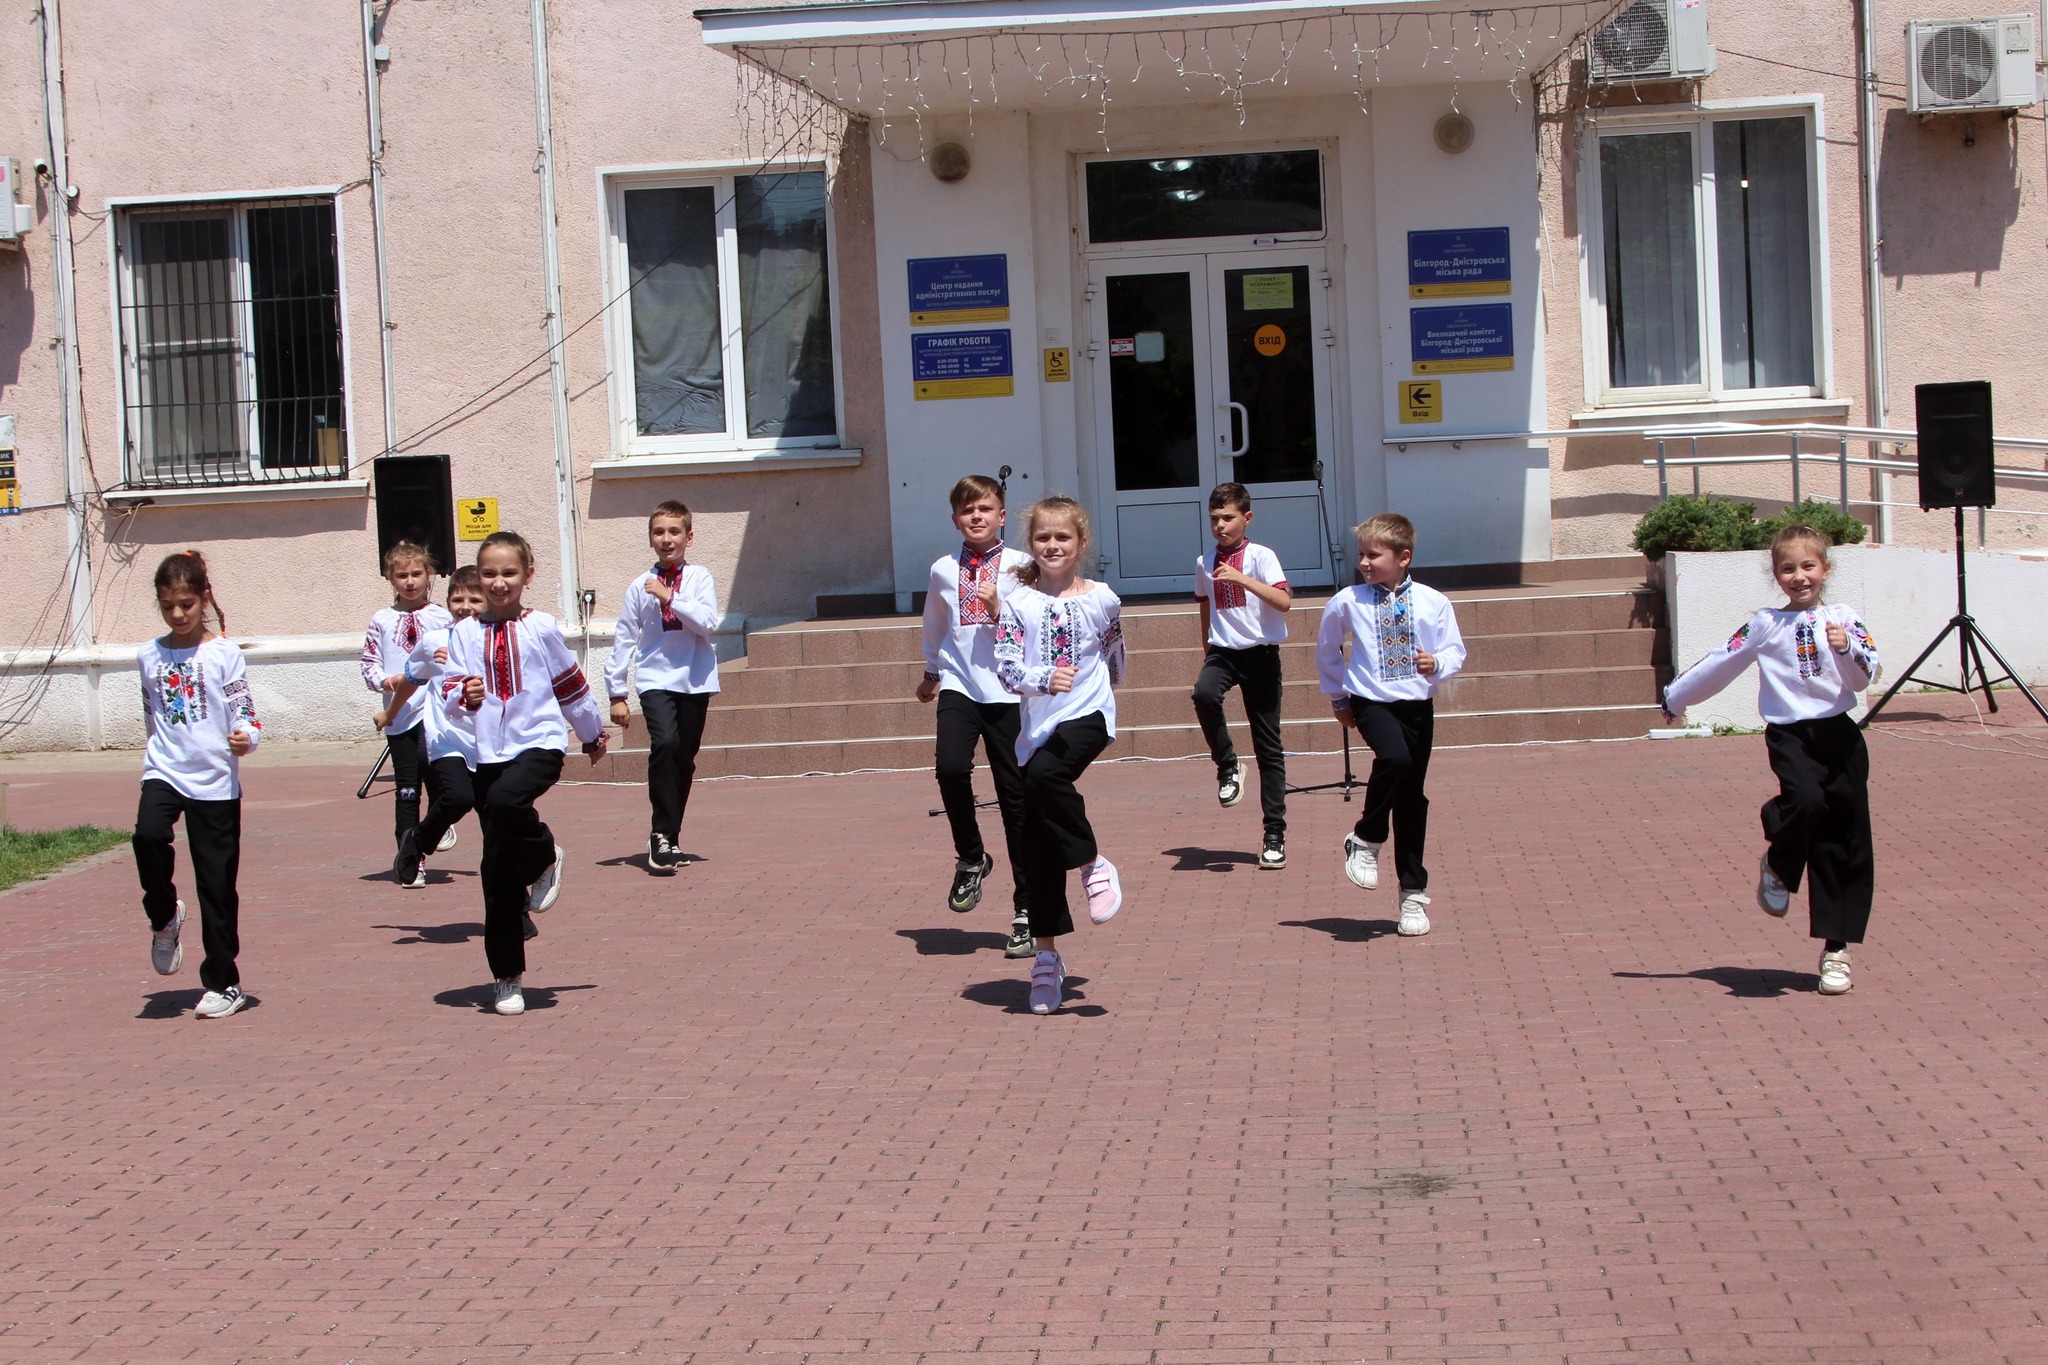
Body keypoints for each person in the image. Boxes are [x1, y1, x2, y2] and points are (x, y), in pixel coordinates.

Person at [1661, 524, 1879, 996]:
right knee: (1804, 802)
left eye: (1808, 566)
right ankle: (1779, 862)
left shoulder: (1843, 616)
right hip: (1791, 736)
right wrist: (1676, 698)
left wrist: (1846, 649)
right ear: (1776, 576)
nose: (1799, 576)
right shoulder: (1765, 623)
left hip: (1839, 735)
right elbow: (1723, 659)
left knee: (1844, 839)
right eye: (1787, 569)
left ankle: (1836, 950)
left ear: (1825, 569)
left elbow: (1864, 678)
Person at [441, 531, 608, 1016]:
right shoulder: (464, 633)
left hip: (539, 743)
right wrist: (463, 696)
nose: (498, 583)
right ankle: (506, 976)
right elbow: (450, 691)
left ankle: (544, 855)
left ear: (527, 576)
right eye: (489, 573)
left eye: (508, 573)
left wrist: (591, 733)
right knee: (495, 870)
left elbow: (569, 683)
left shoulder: (541, 627)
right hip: (487, 751)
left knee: (506, 801)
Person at [993, 495, 1127, 1015]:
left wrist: (1100, 696)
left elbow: (1115, 655)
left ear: (1081, 543)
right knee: (1036, 840)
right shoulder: (1018, 600)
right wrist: (1042, 678)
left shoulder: (1102, 599)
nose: (1053, 546)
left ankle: (1093, 864)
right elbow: (1005, 667)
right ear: (1032, 544)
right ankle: (1046, 960)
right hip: (1036, 725)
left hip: (1089, 716)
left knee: (1048, 777)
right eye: (1044, 538)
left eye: (1063, 538)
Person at [1315, 514, 1466, 938]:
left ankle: (1413, 894)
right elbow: (1327, 649)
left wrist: (1437, 664)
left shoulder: (1434, 601)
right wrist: (1338, 697)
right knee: (1393, 757)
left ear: (1404, 557)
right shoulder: (1347, 601)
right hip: (1370, 701)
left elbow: (1455, 650)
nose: (1364, 562)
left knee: (1412, 798)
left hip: (1417, 706)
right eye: (1361, 554)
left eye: (1373, 555)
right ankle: (1366, 837)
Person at [134, 550, 263, 1020]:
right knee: (148, 835)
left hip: (214, 779)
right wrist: (160, 755)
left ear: (204, 597)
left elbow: (246, 712)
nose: (178, 614)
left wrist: (246, 737)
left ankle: (225, 982)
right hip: (165, 769)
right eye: (168, 606)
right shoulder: (149, 655)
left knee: (216, 884)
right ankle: (164, 916)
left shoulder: (224, 653)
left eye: (186, 604)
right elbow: (153, 716)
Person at [918, 474, 1036, 956]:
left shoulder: (1022, 566)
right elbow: (935, 623)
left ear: (1002, 515)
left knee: (1016, 803)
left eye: (985, 509)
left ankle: (1026, 910)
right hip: (960, 685)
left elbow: (1036, 626)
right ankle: (971, 857)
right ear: (955, 519)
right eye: (968, 511)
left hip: (1009, 692)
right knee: (949, 768)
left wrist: (1001, 607)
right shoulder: (944, 569)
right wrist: (930, 672)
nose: (977, 517)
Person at [605, 500, 721, 875]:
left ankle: (671, 835)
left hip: (695, 679)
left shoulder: (700, 577)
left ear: (689, 537)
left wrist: (671, 596)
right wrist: (616, 692)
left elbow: (706, 623)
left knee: (684, 759)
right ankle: (658, 833)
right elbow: (624, 637)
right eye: (659, 532)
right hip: (655, 679)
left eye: (674, 532)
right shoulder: (640, 585)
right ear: (650, 539)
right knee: (665, 743)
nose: (666, 539)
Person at [1190, 481, 1293, 870]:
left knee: (1269, 744)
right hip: (1223, 652)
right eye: (1214, 518)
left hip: (1261, 655)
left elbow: (1284, 601)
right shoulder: (1204, 561)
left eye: (1228, 518)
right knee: (1203, 694)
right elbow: (1204, 605)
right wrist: (1207, 647)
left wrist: (1243, 579)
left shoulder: (1262, 556)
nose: (1220, 525)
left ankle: (1274, 834)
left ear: (1246, 518)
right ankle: (1228, 765)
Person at [379, 566, 485, 890]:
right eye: (457, 599)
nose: (465, 606)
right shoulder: (434, 643)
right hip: (446, 738)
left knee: (499, 825)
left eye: (474, 599)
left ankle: (515, 911)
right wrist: (390, 715)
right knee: (457, 797)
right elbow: (411, 681)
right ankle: (418, 840)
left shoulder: (502, 641)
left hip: (489, 743)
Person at [361, 541, 452, 877]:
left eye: (417, 573)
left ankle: (436, 826)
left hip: (436, 714)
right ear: (390, 578)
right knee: (407, 788)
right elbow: (369, 663)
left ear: (429, 576)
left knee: (441, 785)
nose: (410, 581)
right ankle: (411, 859)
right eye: (402, 575)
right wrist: (386, 681)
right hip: (399, 715)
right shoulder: (382, 620)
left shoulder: (441, 616)